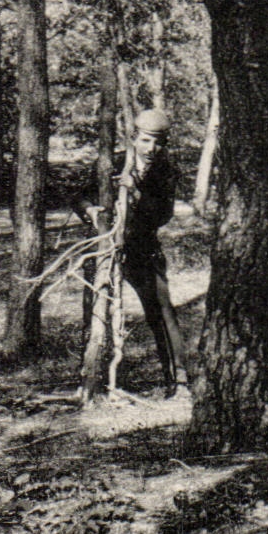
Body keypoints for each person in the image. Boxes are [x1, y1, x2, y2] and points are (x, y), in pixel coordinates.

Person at [95, 108, 190, 397]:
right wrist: (92, 210)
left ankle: (179, 379)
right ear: (134, 137)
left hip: (143, 251)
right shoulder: (113, 163)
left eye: (158, 142)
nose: (152, 148)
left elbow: (163, 214)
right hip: (108, 249)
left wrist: (137, 192)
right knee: (97, 309)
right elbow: (81, 193)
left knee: (161, 312)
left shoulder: (165, 172)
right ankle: (94, 378)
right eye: (146, 140)